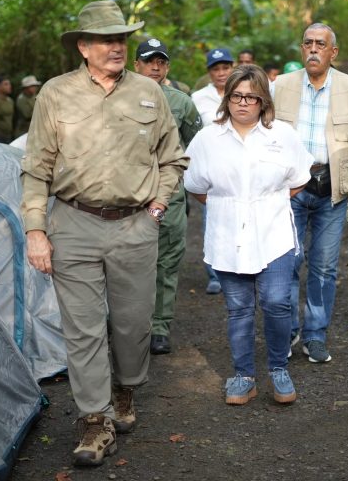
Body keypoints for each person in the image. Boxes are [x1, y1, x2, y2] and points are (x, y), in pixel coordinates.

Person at [20, 0, 188, 467]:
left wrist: (158, 202)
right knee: (82, 329)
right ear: (83, 47)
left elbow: (173, 157)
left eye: (122, 39)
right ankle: (95, 422)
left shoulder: (149, 94)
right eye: (106, 40)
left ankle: (125, 390)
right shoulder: (55, 94)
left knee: (133, 325)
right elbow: (36, 168)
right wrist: (36, 229)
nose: (117, 47)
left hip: (135, 225)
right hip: (72, 224)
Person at [184, 65, 313, 405]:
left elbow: (301, 176)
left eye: (251, 97)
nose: (243, 103)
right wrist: (229, 205)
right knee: (239, 308)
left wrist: (269, 202)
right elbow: (196, 186)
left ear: (262, 101)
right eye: (236, 96)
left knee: (276, 302)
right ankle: (243, 376)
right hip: (227, 233)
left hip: (274, 233)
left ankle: (278, 369)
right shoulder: (207, 139)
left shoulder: (282, 135)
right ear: (227, 99)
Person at [271, 23, 348, 364]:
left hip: (332, 189)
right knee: (289, 261)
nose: (312, 49)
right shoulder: (281, 85)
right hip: (290, 190)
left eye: (320, 44)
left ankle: (315, 334)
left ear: (332, 52)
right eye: (307, 42)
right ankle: (290, 329)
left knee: (324, 267)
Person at [133, 37, 202, 355]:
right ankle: (128, 323)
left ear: (167, 67)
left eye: (161, 61)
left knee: (167, 263)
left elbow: (197, 143)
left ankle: (160, 326)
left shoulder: (181, 102)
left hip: (170, 197)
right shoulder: (120, 100)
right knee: (126, 262)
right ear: (137, 66)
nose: (155, 67)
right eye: (149, 61)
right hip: (127, 199)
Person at [192, 47, 234, 295]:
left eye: (225, 68)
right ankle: (215, 274)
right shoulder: (198, 97)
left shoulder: (244, 92)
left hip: (241, 166)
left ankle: (240, 269)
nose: (221, 73)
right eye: (216, 69)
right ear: (209, 72)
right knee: (212, 221)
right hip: (212, 169)